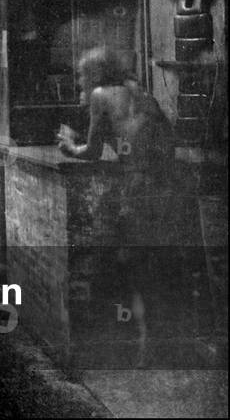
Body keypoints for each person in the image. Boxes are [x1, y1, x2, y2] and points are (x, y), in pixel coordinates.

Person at [56, 45, 176, 366]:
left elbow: (92, 151)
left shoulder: (99, 95)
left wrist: (69, 146)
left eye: (81, 74)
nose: (79, 80)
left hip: (137, 189)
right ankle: (155, 344)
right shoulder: (139, 92)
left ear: (94, 73)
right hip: (165, 186)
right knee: (154, 265)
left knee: (131, 268)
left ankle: (142, 349)